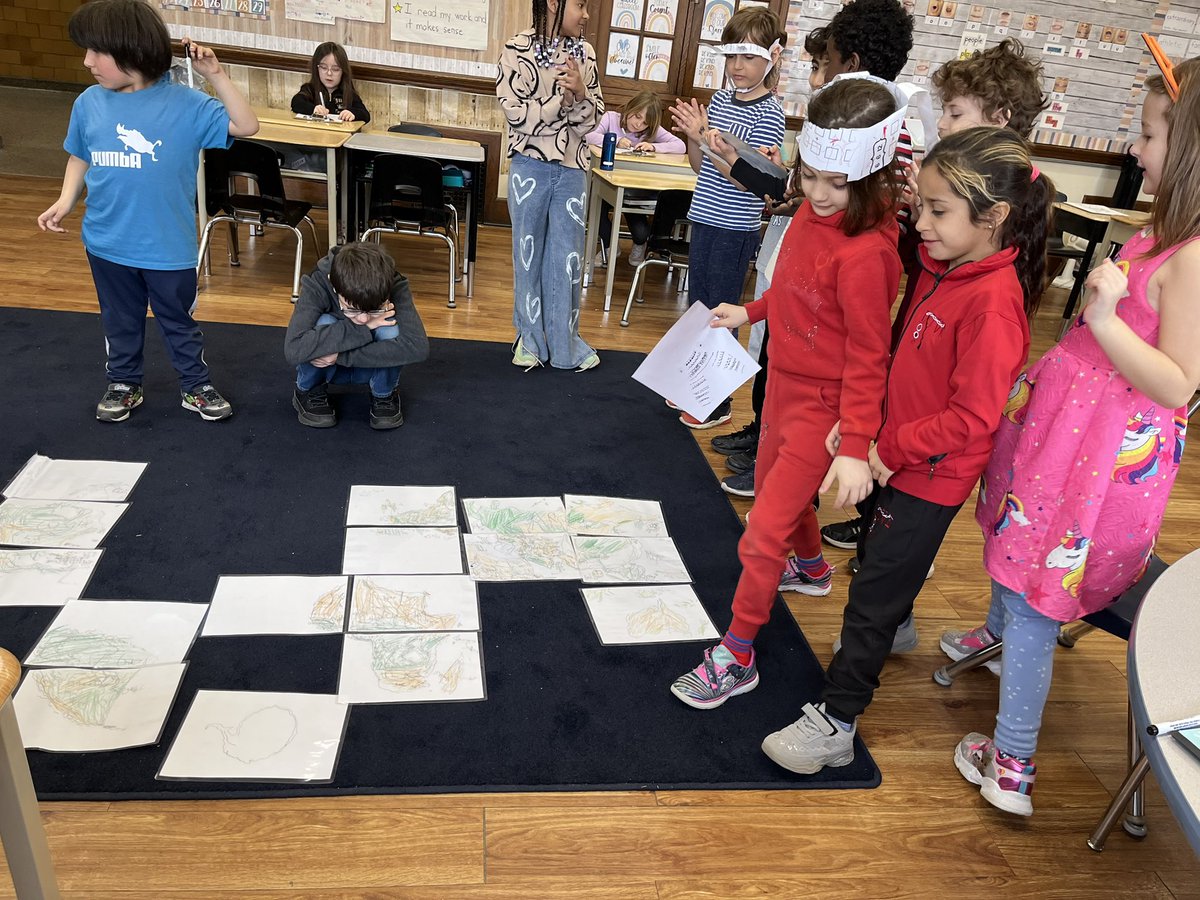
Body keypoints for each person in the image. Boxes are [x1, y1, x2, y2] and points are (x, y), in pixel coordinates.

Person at [753, 127, 1052, 782]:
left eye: (938, 211)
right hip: (895, 455)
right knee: (875, 562)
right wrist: (863, 430)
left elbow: (972, 419)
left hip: (929, 476)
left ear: (994, 217)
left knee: (872, 597)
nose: (922, 223)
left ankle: (836, 720)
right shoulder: (943, 264)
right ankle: (899, 626)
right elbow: (897, 360)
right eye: (923, 207)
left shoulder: (993, 306)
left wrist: (887, 447)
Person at [944, 59, 1200, 816]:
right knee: (1015, 541)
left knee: (1038, 591)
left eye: (1149, 135)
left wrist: (1105, 319)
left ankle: (1011, 763)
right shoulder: (1161, 233)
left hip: (1092, 463)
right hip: (1062, 441)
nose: (1135, 149)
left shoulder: (1193, 258)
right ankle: (995, 635)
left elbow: (1178, 384)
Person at [669, 75, 904, 710]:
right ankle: (814, 568)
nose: (819, 195)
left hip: (825, 410)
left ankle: (738, 653)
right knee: (780, 488)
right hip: (781, 390)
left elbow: (870, 358)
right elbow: (797, 289)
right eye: (810, 177)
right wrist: (750, 311)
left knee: (761, 529)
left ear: (873, 178)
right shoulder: (807, 211)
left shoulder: (868, 256)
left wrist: (853, 446)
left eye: (837, 184)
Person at [822, 35, 1045, 560]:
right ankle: (875, 523)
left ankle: (889, 540)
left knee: (892, 561)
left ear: (1000, 119)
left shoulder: (993, 277)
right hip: (907, 416)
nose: (941, 124)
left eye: (955, 113)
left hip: (930, 455)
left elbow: (970, 408)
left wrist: (895, 443)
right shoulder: (952, 227)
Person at [36, 0, 258, 423]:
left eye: (96, 51)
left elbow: (246, 126)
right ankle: (124, 383)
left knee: (178, 321)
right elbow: (80, 154)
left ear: (132, 50)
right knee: (120, 319)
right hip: (106, 241)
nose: (87, 62)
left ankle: (195, 385)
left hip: (167, 247)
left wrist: (216, 75)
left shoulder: (188, 104)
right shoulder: (89, 102)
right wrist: (66, 201)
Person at [706, 26, 830, 496]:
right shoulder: (819, 123)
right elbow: (788, 187)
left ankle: (775, 459)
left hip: (765, 235)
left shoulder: (774, 112)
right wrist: (784, 177)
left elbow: (771, 188)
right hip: (781, 244)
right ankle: (761, 433)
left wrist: (776, 179)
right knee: (767, 346)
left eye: (821, 66)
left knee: (788, 356)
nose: (813, 78)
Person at [668, 5, 786, 428]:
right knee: (698, 307)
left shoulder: (769, 113)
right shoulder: (720, 99)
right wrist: (693, 138)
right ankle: (693, 386)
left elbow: (748, 182)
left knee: (723, 312)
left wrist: (707, 139)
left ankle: (716, 402)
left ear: (772, 57)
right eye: (731, 56)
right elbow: (700, 165)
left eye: (749, 56)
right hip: (704, 217)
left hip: (735, 228)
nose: (737, 66)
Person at [497, 0, 603, 373]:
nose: (586, 14)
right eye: (580, 4)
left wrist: (581, 95)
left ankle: (564, 343)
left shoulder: (585, 54)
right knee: (527, 257)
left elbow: (592, 122)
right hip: (529, 167)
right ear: (555, 3)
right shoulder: (516, 48)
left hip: (573, 170)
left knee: (567, 260)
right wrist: (562, 101)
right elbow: (516, 115)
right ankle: (530, 339)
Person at [285, 243, 429, 431]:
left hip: (348, 361)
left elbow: (417, 346)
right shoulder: (318, 282)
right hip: (326, 366)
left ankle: (383, 394)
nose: (362, 318)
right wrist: (365, 327)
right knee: (324, 322)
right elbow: (294, 348)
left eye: (374, 310)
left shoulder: (393, 282)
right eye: (352, 309)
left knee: (390, 327)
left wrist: (340, 355)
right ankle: (309, 390)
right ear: (333, 285)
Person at [584, 89, 685, 265]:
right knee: (595, 207)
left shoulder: (652, 131)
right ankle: (609, 246)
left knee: (640, 232)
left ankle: (640, 244)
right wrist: (614, 140)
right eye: (637, 116)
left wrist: (654, 147)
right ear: (630, 107)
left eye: (645, 122)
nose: (638, 124)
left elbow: (680, 146)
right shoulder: (611, 118)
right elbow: (589, 136)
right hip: (606, 181)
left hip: (634, 188)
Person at [282, 42, 371, 172]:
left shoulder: (348, 94)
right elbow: (296, 102)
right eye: (324, 67)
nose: (329, 73)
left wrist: (352, 113)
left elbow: (365, 114)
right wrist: (313, 109)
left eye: (335, 69)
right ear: (316, 68)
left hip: (339, 150)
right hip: (312, 146)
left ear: (343, 72)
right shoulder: (310, 89)